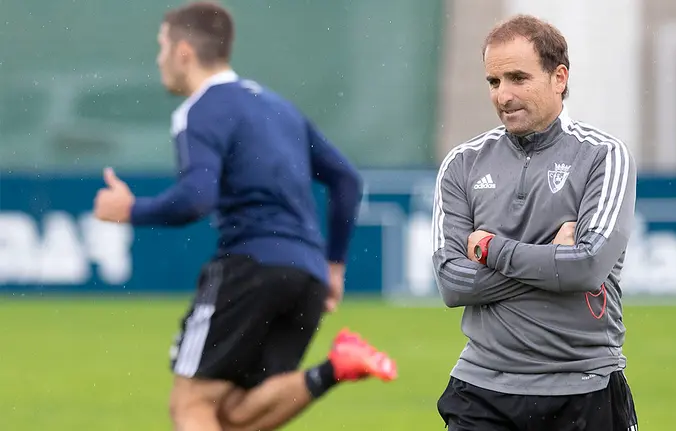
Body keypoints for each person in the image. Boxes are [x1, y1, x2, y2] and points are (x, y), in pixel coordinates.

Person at [92, 2, 397, 430]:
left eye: (161, 46)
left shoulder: (198, 110)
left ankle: (337, 366)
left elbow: (197, 198)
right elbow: (346, 180)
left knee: (191, 405)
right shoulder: (279, 107)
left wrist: (130, 210)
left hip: (250, 268)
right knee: (235, 416)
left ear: (183, 51)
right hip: (306, 278)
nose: (158, 58)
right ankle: (335, 368)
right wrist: (333, 265)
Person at [431, 14, 639, 431]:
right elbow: (454, 284)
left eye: (518, 78)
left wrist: (492, 251)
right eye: (494, 82)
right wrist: (553, 259)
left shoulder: (603, 156)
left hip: (584, 387)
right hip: (481, 391)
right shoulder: (462, 164)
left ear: (559, 77)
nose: (503, 95)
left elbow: (588, 267)